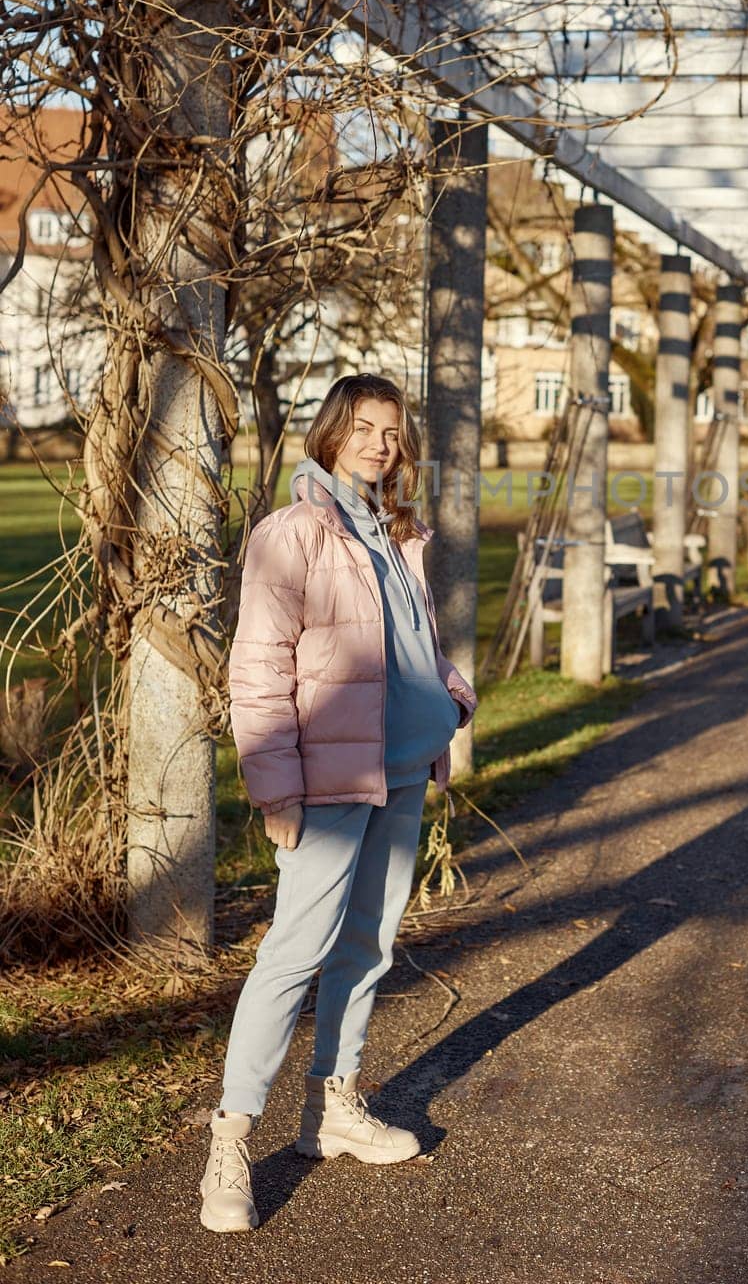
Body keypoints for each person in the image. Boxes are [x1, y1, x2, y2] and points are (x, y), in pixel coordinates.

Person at [199, 372, 477, 1233]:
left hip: (399, 769)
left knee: (367, 945)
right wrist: (273, 784)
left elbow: (413, 639)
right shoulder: (293, 533)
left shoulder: (397, 529)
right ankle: (231, 1140)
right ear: (331, 433)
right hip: (324, 778)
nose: (380, 444)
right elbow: (258, 667)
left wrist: (450, 699)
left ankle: (333, 1109)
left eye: (392, 432)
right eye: (364, 427)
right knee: (296, 949)